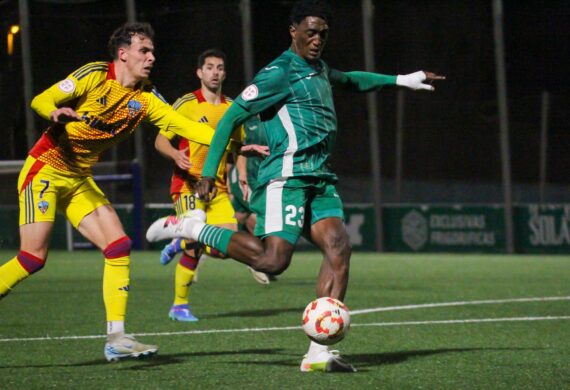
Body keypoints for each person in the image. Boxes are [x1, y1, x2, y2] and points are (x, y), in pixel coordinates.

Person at [147, 0, 444, 372]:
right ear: (293, 31)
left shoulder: (317, 68)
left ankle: (318, 352)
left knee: (339, 247)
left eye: (322, 33)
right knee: (274, 260)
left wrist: (401, 80)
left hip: (320, 177)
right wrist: (209, 172)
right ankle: (191, 228)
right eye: (310, 31)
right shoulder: (278, 73)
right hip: (285, 176)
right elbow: (230, 119)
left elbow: (351, 79)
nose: (317, 39)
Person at [0, 22, 246, 363]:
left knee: (118, 245)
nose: (151, 57)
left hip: (78, 177)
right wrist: (55, 111)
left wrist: (236, 140)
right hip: (46, 168)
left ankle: (116, 338)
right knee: (32, 258)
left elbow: (185, 127)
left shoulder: (145, 99)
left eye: (152, 51)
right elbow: (42, 98)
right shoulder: (95, 76)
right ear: (123, 54)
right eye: (144, 50)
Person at [154, 49, 271, 323]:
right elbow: (160, 140)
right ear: (199, 72)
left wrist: (241, 177)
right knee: (196, 246)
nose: (215, 72)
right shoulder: (186, 103)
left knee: (225, 247)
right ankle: (179, 305)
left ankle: (179, 239)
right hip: (187, 186)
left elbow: (239, 148)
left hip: (217, 188)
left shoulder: (232, 108)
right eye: (209, 67)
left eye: (220, 67)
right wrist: (174, 155)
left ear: (224, 73)